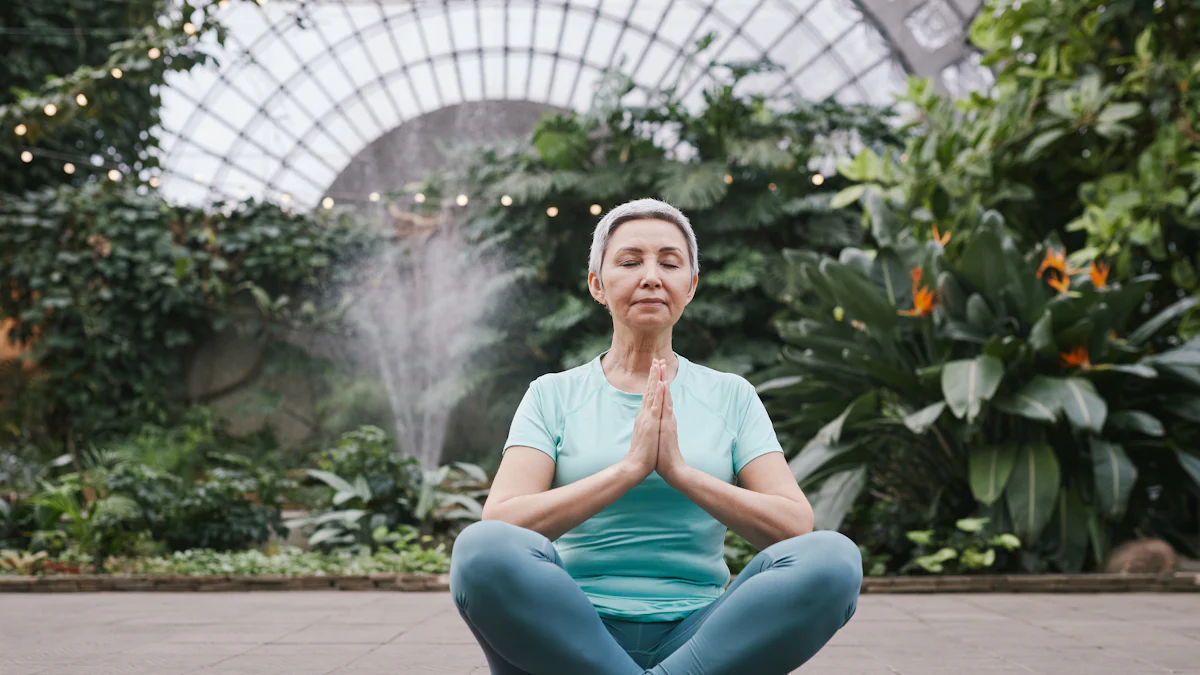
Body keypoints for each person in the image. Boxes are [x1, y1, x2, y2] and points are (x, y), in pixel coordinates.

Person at [450, 199, 862, 675]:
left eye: (669, 263)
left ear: (690, 287)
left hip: (705, 640)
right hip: (569, 633)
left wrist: (679, 472)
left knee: (833, 558)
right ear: (597, 285)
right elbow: (503, 520)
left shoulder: (731, 396)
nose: (650, 276)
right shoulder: (552, 395)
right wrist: (629, 469)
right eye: (629, 262)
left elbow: (793, 526)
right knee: (481, 550)